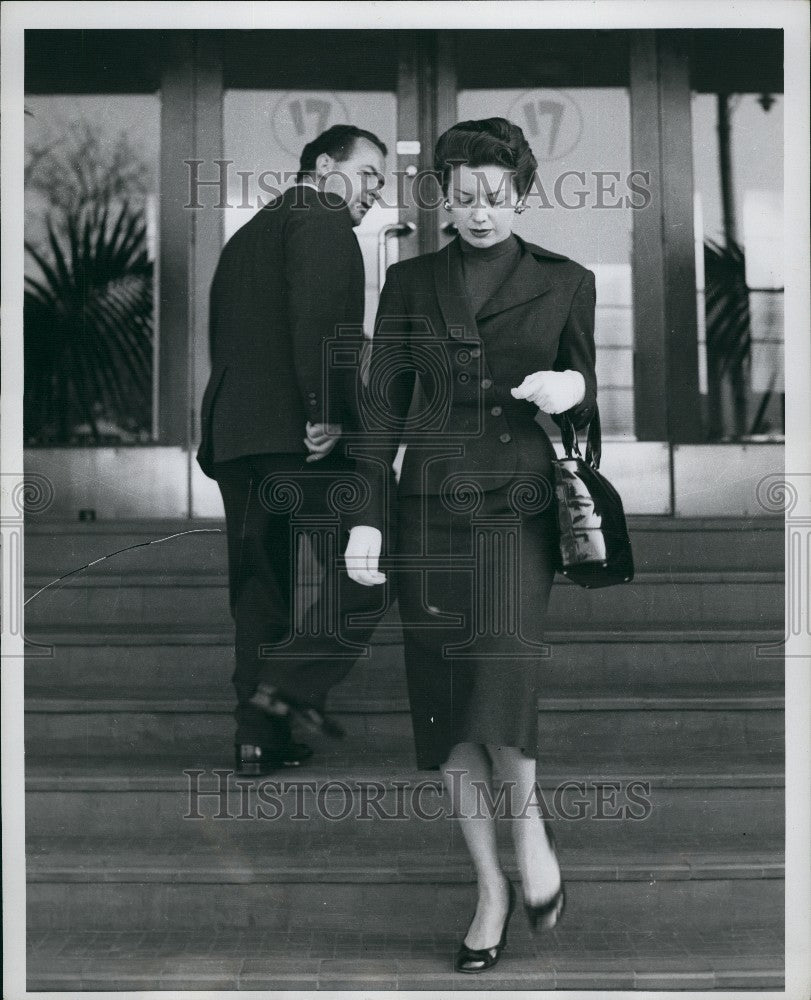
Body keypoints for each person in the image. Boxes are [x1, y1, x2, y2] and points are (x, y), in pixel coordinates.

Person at [344, 117, 597, 974]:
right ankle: (488, 884)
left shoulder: (567, 282)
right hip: (427, 512)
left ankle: (527, 832)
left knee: (502, 677)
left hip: (518, 508)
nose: (479, 212)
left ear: (520, 195)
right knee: (449, 703)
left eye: (495, 196)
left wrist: (572, 388)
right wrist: (367, 518)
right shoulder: (411, 282)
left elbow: (588, 404)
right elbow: (381, 409)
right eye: (462, 197)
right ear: (443, 197)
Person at [197, 124, 388, 776]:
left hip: (236, 440)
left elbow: (227, 337)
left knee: (259, 590)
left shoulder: (248, 233)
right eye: (367, 176)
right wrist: (324, 413)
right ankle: (284, 690)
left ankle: (257, 742)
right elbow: (323, 327)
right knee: (372, 565)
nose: (373, 194)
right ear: (325, 165)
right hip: (299, 440)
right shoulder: (322, 217)